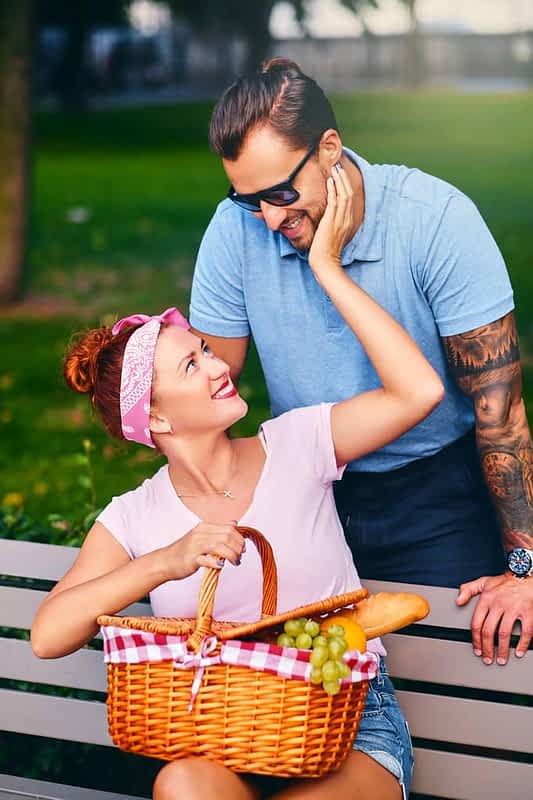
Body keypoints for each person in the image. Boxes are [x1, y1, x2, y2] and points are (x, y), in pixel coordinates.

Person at [31, 166, 443, 800]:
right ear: (156, 418)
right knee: (181, 784)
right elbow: (48, 634)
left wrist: (327, 270)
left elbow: (419, 392)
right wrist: (166, 562)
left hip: (349, 729)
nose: (219, 365)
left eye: (205, 348)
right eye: (192, 364)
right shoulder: (136, 517)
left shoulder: (299, 445)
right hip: (221, 735)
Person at [189, 57, 533, 668]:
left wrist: (526, 569)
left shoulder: (435, 220)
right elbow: (205, 391)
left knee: (459, 683)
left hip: (434, 496)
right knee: (307, 699)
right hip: (306, 491)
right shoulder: (234, 230)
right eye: (249, 201)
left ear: (329, 148)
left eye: (281, 193)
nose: (269, 219)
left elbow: (499, 413)